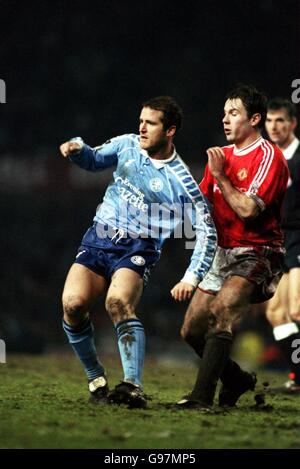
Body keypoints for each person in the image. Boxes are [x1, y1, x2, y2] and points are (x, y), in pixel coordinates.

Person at [60, 96, 217, 409]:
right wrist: (77, 148)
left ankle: (132, 385)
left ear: (170, 130)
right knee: (73, 305)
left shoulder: (182, 182)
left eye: (151, 123)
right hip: (99, 236)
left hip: (138, 246)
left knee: (117, 302)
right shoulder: (127, 145)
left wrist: (191, 276)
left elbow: (208, 232)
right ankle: (96, 377)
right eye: (141, 120)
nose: (142, 128)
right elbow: (93, 159)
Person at [175, 84, 289, 409]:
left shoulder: (269, 157)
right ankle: (237, 379)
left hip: (257, 252)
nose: (225, 119)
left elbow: (249, 210)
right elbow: (200, 206)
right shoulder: (221, 156)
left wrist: (221, 177)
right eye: (224, 113)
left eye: (234, 113)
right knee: (191, 331)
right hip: (220, 253)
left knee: (222, 311)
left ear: (254, 119)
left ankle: (201, 397)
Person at [264, 98, 300, 393]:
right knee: (277, 313)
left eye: (280, 121)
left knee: (297, 309)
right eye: (270, 121)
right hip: (284, 241)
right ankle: (298, 378)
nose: (274, 127)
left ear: (292, 124)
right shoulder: (270, 157)